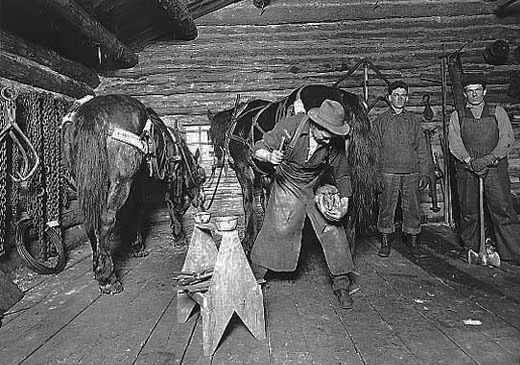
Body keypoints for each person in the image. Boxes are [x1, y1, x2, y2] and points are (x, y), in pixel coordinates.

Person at [250, 99, 356, 309]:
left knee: (333, 229)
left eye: (333, 134)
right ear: (315, 124)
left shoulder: (332, 142)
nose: (328, 139)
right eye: (326, 133)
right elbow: (258, 147)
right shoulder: (292, 126)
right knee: (277, 228)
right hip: (287, 182)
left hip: (316, 183)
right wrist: (269, 156)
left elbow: (342, 174)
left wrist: (344, 202)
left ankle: (342, 284)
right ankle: (255, 277)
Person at [448, 73, 520, 264]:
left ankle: (512, 253)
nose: (474, 95)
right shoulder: (458, 115)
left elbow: (507, 139)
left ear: (485, 91)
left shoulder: (498, 112)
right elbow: (454, 142)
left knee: (502, 208)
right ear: (465, 94)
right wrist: (469, 161)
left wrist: (490, 158)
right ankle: (473, 250)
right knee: (469, 211)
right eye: (470, 91)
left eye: (477, 90)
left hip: (495, 169)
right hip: (467, 169)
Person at [372, 81, 433, 258]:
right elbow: (374, 150)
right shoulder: (380, 121)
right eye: (396, 95)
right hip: (387, 171)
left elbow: (422, 149)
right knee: (386, 207)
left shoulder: (413, 121)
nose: (399, 98)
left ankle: (413, 242)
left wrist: (424, 173)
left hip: (411, 171)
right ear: (390, 97)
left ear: (406, 98)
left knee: (412, 207)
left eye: (403, 95)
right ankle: (385, 242)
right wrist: (376, 174)